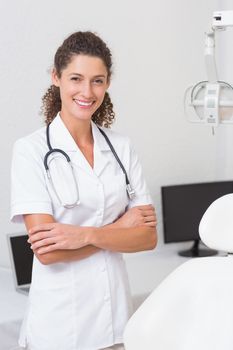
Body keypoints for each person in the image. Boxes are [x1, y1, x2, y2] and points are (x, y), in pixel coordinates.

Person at [10, 31, 157, 350]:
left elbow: (147, 237)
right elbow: (48, 252)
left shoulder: (121, 147)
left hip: (116, 320)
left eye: (97, 80)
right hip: (61, 326)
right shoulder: (30, 151)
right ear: (56, 77)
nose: (87, 91)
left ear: (107, 83)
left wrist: (83, 235)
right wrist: (118, 230)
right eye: (76, 78)